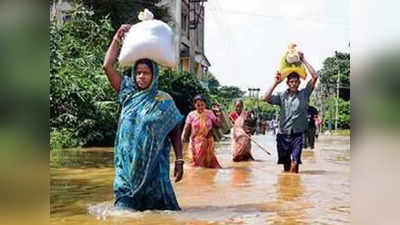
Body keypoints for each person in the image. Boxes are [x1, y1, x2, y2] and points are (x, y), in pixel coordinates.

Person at [102, 24, 184, 210]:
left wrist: (179, 160)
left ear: (154, 74)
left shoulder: (164, 101)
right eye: (138, 73)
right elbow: (107, 66)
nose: (141, 77)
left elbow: (174, 132)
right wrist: (117, 37)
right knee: (124, 214)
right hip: (125, 171)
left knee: (157, 214)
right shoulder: (127, 93)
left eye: (146, 73)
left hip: (153, 173)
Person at [263, 51, 318, 173]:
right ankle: (287, 188)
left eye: (296, 81)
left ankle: (294, 189)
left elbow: (315, 76)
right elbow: (265, 98)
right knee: (286, 167)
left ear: (299, 82)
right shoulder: (282, 96)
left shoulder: (305, 94)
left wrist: (303, 60)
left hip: (297, 135)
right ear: (287, 83)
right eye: (291, 82)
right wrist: (275, 83)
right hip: (283, 135)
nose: (294, 84)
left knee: (295, 163)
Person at [181, 95, 222, 168]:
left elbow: (218, 124)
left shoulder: (209, 113)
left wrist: (218, 114)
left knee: (210, 165)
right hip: (195, 143)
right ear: (195, 105)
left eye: (202, 105)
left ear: (205, 105)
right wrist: (182, 139)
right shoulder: (191, 115)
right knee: (197, 165)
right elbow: (186, 128)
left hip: (208, 143)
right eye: (198, 105)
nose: (200, 107)